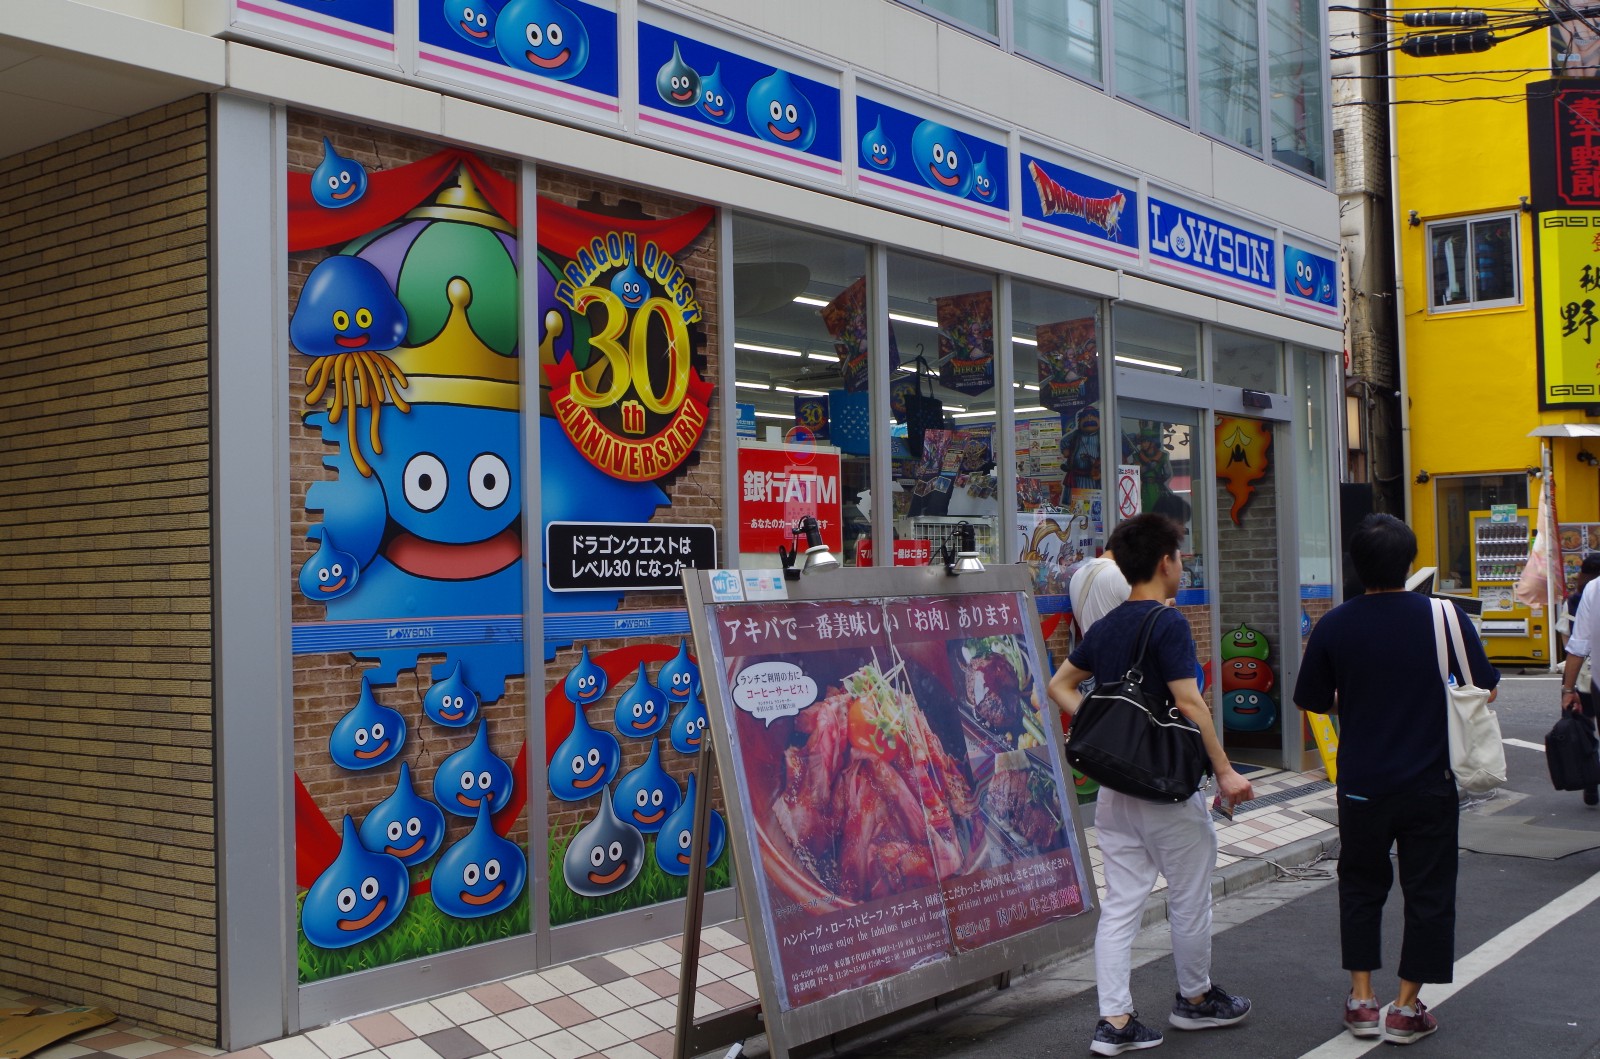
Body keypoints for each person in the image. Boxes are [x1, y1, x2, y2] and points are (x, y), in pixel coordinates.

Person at [1048, 513, 1255, 1056]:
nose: (1182, 564)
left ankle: (1114, 1022)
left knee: (1121, 905)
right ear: (1165, 562)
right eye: (1180, 556)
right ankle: (1195, 999)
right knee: (1188, 899)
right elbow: (1190, 702)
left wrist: (1104, 729)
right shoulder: (1169, 624)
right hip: (1166, 789)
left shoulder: (1109, 624)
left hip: (1118, 790)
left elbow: (1059, 685)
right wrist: (1227, 771)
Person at [1295, 513, 1499, 1046]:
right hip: (1429, 781)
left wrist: (1359, 699)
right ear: (1409, 562)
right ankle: (1406, 1008)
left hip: (1361, 782)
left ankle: (1362, 1000)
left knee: (1361, 886)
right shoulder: (1445, 617)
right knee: (1428, 891)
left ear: (1357, 567)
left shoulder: (1335, 624)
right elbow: (1484, 689)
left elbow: (1313, 702)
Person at [1558, 553, 1600, 806]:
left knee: (1585, 731)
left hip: (1586, 675)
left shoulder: (1580, 596)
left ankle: (1590, 784)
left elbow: (1571, 641)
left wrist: (1567, 688)